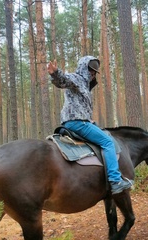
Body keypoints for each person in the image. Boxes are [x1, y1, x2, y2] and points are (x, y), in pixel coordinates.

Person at [47, 55, 132, 195]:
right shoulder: (77, 79)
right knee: (107, 142)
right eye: (90, 70)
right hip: (77, 122)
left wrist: (89, 120)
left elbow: (80, 105)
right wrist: (56, 73)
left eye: (94, 72)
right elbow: (63, 81)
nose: (92, 74)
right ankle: (115, 181)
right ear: (83, 67)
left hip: (80, 121)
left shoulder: (84, 85)